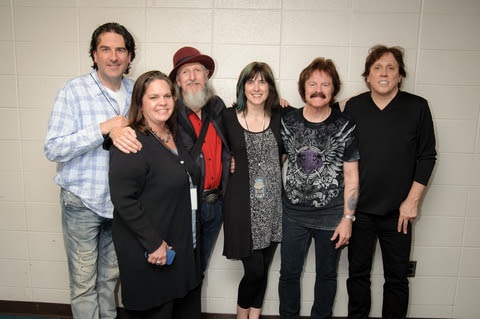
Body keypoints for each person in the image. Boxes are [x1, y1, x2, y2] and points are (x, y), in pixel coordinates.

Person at [44, 22, 135, 318]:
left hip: (120, 205)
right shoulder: (73, 91)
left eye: (120, 49)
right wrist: (103, 129)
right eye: (105, 49)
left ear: (130, 56)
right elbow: (53, 148)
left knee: (108, 281)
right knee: (83, 285)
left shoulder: (137, 92)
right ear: (94, 55)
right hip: (81, 202)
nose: (113, 56)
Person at [110, 46, 230, 273]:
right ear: (177, 80)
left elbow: (240, 127)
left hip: (215, 204)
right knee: (182, 265)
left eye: (198, 70)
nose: (193, 77)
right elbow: (138, 124)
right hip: (185, 204)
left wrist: (277, 105)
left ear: (206, 76)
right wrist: (114, 132)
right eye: (185, 72)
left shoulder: (218, 107)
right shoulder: (168, 111)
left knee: (199, 267)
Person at [344, 45, 437, 319]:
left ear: (399, 75)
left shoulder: (417, 107)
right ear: (368, 76)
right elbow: (324, 115)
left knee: (396, 279)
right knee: (357, 276)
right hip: (359, 211)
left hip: (400, 213)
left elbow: (427, 156)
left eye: (391, 68)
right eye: (377, 68)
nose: (384, 73)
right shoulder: (354, 107)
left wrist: (412, 201)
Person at [108, 70, 202, 319]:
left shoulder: (170, 134)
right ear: (140, 102)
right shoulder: (132, 141)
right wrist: (153, 243)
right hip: (151, 249)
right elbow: (123, 200)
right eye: (153, 97)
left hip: (179, 243)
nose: (162, 102)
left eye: (167, 95)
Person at [278, 57, 360, 319]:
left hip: (331, 218)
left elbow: (352, 175)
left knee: (327, 276)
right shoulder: (287, 121)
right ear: (303, 89)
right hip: (292, 216)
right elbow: (272, 158)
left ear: (333, 90)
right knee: (289, 274)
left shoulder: (346, 125)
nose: (318, 89)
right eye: (312, 83)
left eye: (325, 84)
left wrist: (348, 218)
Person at [222, 62, 291, 319]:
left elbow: (316, 110)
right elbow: (211, 150)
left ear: (270, 87)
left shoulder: (282, 115)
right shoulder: (228, 117)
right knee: (255, 271)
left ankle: (254, 316)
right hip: (242, 207)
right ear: (242, 87)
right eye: (251, 81)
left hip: (273, 205)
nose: (256, 87)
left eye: (263, 81)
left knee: (264, 268)